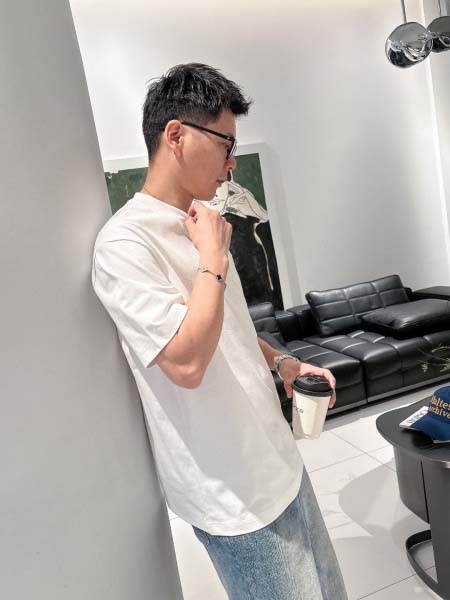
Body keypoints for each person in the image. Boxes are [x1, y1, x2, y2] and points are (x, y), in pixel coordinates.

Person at [92, 63, 347, 600]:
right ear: (176, 135)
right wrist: (212, 258)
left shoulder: (202, 220)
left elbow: (230, 331)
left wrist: (283, 363)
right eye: (225, 144)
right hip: (232, 497)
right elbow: (185, 363)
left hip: (279, 462)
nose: (232, 162)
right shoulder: (125, 244)